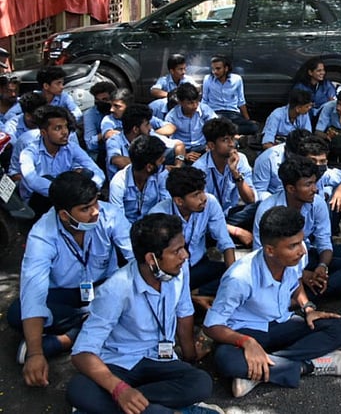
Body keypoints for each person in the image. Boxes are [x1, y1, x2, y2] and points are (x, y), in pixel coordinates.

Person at [66, 214, 222, 414]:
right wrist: (120, 389)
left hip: (159, 360)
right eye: (177, 251)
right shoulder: (116, 289)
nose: (185, 256)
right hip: (119, 363)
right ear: (151, 259)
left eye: (183, 247)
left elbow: (184, 313)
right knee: (79, 389)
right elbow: (81, 354)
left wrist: (190, 355)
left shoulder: (179, 271)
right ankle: (168, 411)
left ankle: (129, 407)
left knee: (201, 382)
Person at [205, 206, 341, 398]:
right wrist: (247, 342)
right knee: (227, 361)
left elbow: (296, 284)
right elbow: (211, 326)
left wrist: (308, 307)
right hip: (248, 331)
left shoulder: (296, 259)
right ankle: (310, 364)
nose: (302, 251)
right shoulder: (240, 277)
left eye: (301, 242)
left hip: (282, 324)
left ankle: (259, 371)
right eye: (293, 245)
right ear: (270, 250)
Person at [8, 171, 132, 388]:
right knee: (17, 312)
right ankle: (93, 322)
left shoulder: (110, 215)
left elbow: (135, 258)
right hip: (65, 296)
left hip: (105, 288)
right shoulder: (41, 235)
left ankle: (67, 337)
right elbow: (33, 293)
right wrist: (36, 354)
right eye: (85, 209)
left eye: (95, 203)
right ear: (65, 215)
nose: (95, 212)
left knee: (133, 290)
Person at [253, 157, 341, 301]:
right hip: (281, 261)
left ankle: (303, 295)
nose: (315, 189)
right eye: (308, 184)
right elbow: (261, 256)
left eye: (314, 182)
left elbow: (324, 242)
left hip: (307, 254)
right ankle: (307, 296)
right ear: (291, 188)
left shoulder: (318, 203)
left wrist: (322, 267)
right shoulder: (267, 209)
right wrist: (300, 274)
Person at [150, 166, 236, 300]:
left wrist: (233, 278)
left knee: (235, 275)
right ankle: (194, 298)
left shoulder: (210, 202)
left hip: (199, 265)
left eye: (202, 191)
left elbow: (225, 241)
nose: (203, 198)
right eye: (196, 195)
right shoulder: (159, 215)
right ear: (179, 201)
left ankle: (195, 294)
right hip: (173, 273)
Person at [19, 106, 104, 215]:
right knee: (47, 181)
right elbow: (33, 181)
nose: (65, 132)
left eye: (65, 127)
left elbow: (96, 171)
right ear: (43, 133)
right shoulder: (29, 153)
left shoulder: (71, 147)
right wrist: (67, 193)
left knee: (86, 174)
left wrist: (91, 188)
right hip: (40, 201)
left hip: (70, 197)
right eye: (58, 128)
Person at [192, 118, 258, 231]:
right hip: (209, 218)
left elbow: (250, 199)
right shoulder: (199, 168)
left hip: (231, 215)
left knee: (259, 207)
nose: (231, 144)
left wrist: (235, 173)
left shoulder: (240, 159)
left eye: (232, 139)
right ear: (211, 145)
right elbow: (200, 210)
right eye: (225, 140)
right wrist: (235, 230)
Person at [108, 135, 170, 224]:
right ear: (149, 167)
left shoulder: (161, 175)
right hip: (127, 228)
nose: (164, 160)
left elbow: (166, 205)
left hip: (154, 226)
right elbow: (118, 220)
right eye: (160, 160)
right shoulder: (118, 183)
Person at [201, 55, 258, 135]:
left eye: (218, 69)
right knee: (209, 126)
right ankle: (232, 133)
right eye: (213, 69)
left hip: (233, 114)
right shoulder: (208, 79)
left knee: (254, 127)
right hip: (215, 113)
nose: (215, 72)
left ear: (226, 68)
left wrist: (247, 120)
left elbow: (241, 101)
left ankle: (226, 131)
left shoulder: (237, 79)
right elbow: (204, 100)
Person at [164, 83, 218, 160]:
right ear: (180, 102)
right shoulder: (172, 116)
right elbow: (167, 140)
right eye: (190, 103)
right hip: (182, 149)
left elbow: (216, 126)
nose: (195, 106)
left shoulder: (204, 109)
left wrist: (210, 143)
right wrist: (184, 155)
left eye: (196, 101)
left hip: (202, 147)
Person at [82, 81, 117, 160]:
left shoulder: (118, 110)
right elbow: (90, 144)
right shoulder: (90, 114)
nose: (101, 103)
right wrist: (105, 133)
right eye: (97, 100)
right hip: (99, 153)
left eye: (105, 99)